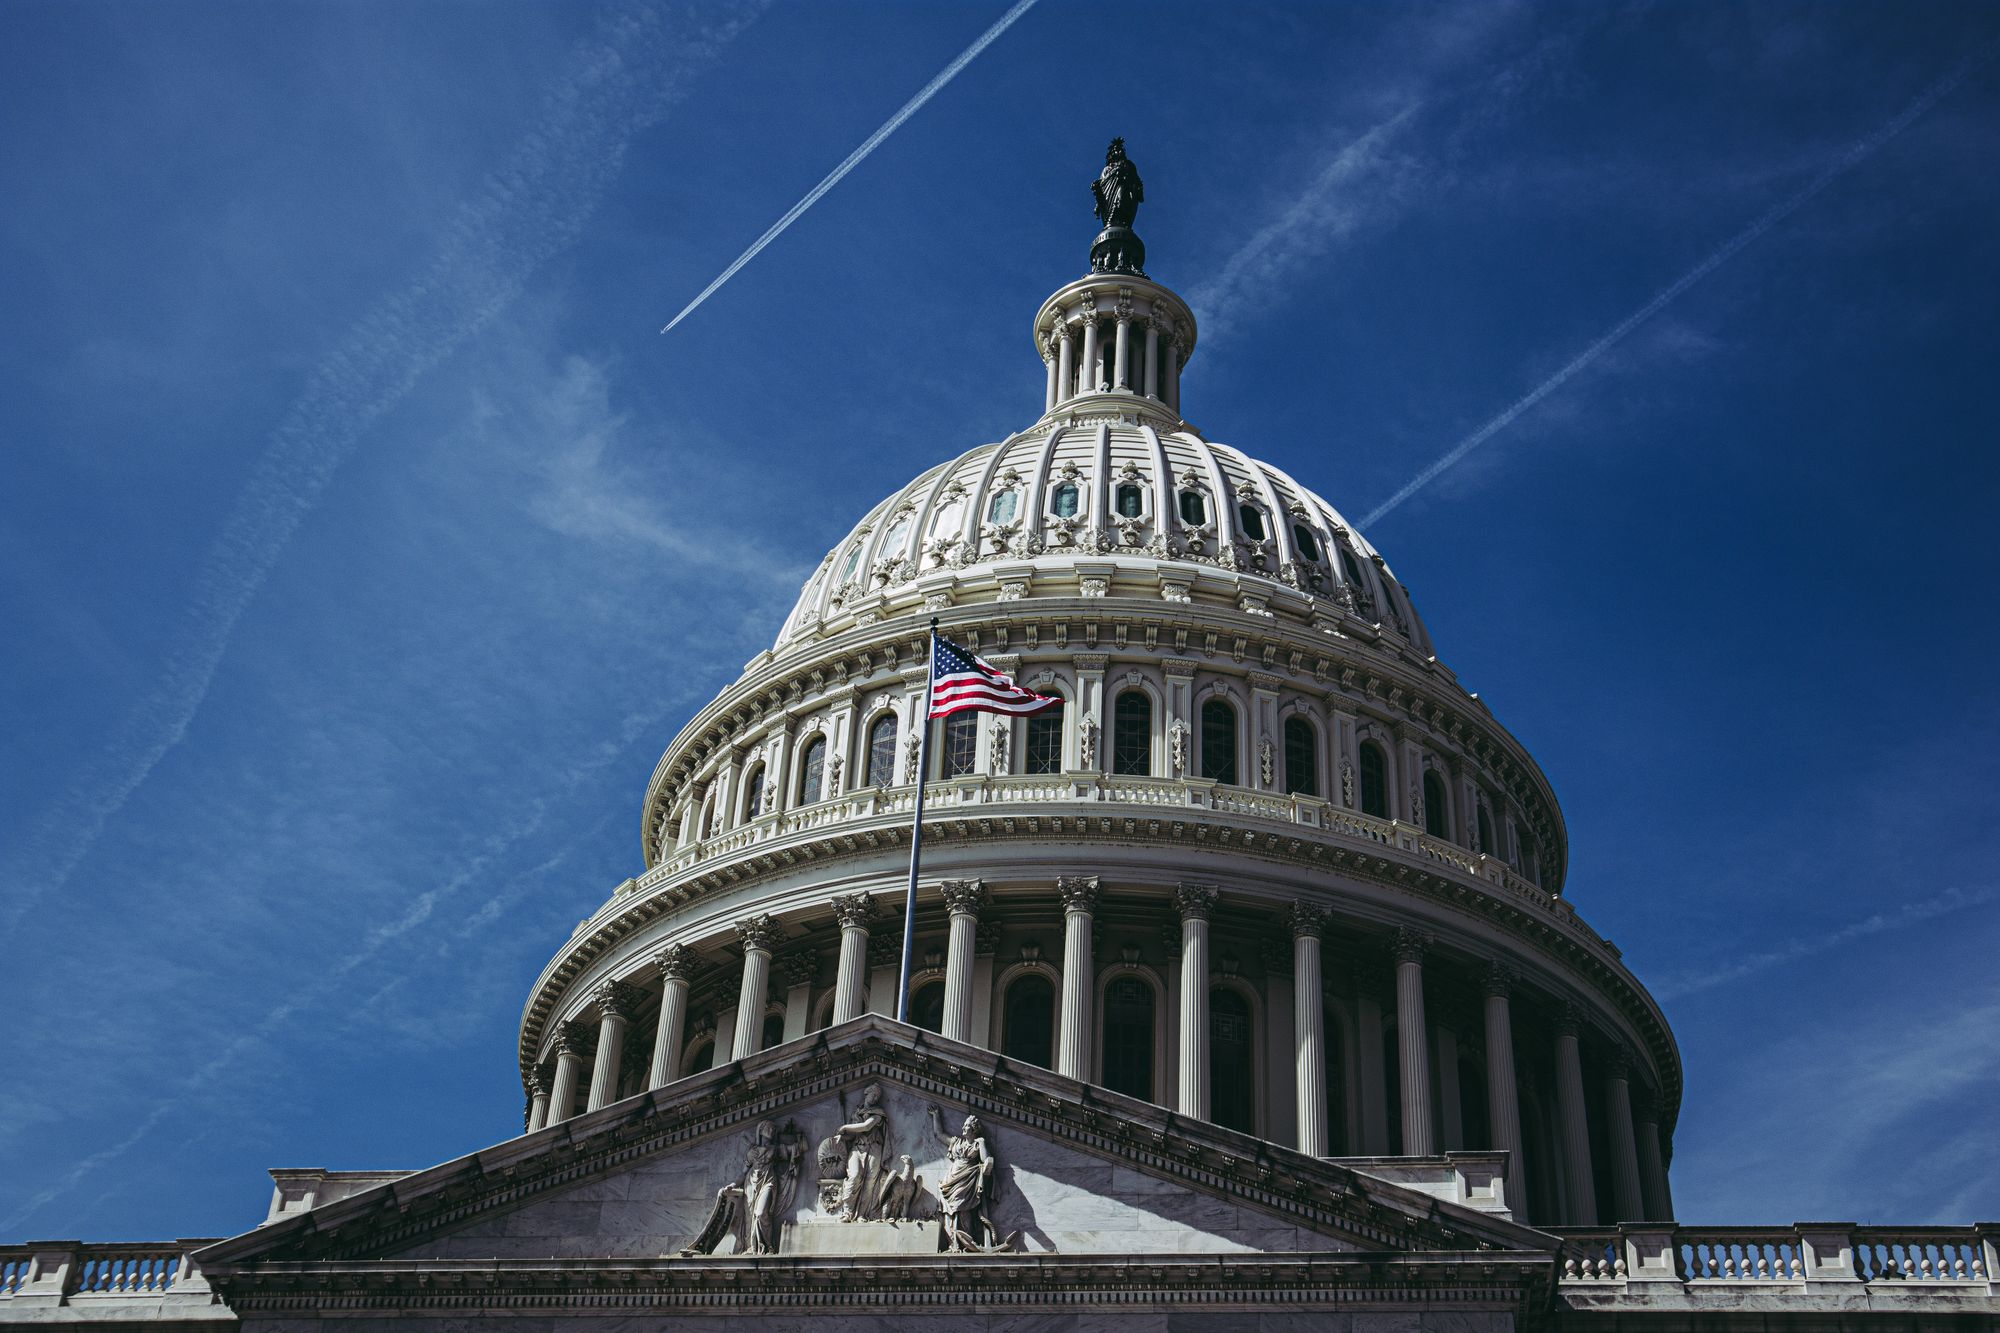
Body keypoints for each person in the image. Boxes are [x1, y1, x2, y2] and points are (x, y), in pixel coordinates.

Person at [926, 1106, 996, 1251]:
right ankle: (952, 1243)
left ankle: (967, 1243)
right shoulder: (956, 1142)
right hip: (951, 1180)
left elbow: (985, 1159)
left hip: (967, 1179)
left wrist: (987, 1158)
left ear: (974, 1129)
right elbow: (939, 1134)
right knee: (947, 1211)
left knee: (962, 1209)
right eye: (964, 1125)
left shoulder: (978, 1143)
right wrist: (936, 1115)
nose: (963, 1128)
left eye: (967, 1126)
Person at [835, 1082, 888, 1221]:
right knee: (854, 1176)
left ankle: (862, 1214)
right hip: (857, 1148)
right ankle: (847, 1212)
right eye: (874, 1094)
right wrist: (842, 1136)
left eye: (877, 1096)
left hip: (874, 1149)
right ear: (867, 1092)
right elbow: (852, 1136)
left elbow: (866, 1126)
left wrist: (845, 1126)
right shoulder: (856, 1113)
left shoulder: (878, 1113)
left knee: (870, 1182)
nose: (875, 1098)